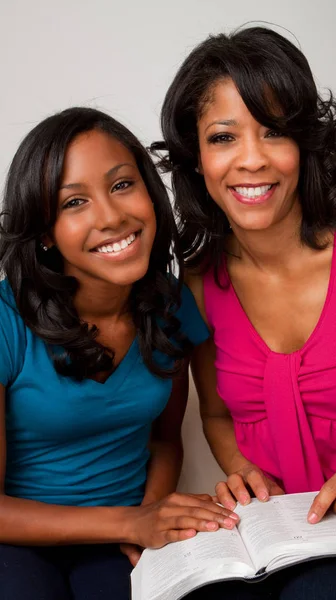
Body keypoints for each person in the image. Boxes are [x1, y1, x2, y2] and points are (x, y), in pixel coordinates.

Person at [154, 25, 336, 599]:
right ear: (196, 158)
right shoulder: (197, 283)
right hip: (282, 529)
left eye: (274, 132)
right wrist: (244, 471)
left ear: (305, 145)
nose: (252, 160)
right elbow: (215, 415)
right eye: (223, 137)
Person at [0, 107, 240, 600]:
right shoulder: (6, 321)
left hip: (118, 540)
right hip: (17, 536)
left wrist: (154, 520)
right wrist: (135, 521)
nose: (111, 217)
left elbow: (166, 441)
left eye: (122, 185)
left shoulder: (172, 307)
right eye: (74, 203)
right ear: (44, 232)